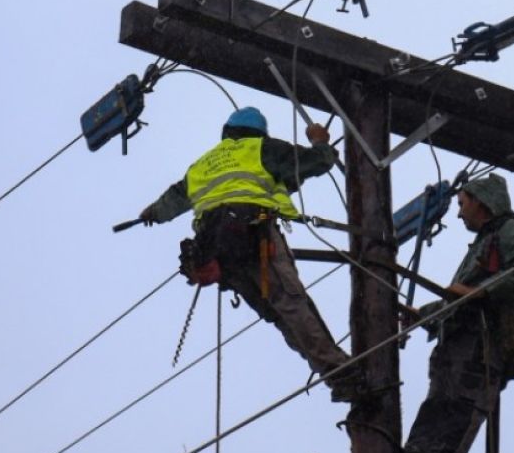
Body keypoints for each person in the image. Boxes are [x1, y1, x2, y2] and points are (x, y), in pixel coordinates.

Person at [138, 106, 363, 402]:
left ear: (226, 132)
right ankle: (342, 374)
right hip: (254, 236)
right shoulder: (262, 149)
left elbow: (174, 198)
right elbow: (317, 162)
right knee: (291, 304)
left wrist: (152, 212)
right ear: (259, 132)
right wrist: (320, 141)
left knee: (278, 315)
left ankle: (336, 376)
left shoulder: (202, 165)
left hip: (220, 252)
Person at [401, 173, 514, 453]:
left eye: (462, 204)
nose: (459, 212)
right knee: (438, 402)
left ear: (481, 201)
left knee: (463, 406)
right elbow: (461, 295)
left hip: (484, 339)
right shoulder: (482, 242)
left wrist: (479, 292)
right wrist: (423, 315)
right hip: (458, 341)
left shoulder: (513, 232)